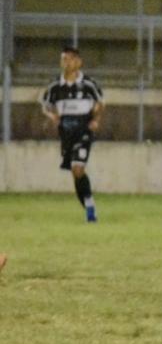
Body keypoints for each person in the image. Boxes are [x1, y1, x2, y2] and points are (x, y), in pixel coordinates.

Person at [41, 46, 104, 222]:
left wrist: (95, 119)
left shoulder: (88, 84)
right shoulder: (55, 86)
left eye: (69, 59)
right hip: (66, 134)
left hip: (84, 130)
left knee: (78, 167)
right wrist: (52, 114)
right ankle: (88, 205)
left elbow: (100, 103)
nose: (66, 63)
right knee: (75, 173)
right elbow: (45, 104)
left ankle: (90, 208)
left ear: (78, 62)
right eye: (63, 59)